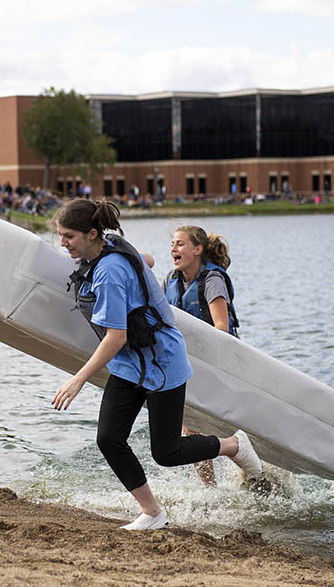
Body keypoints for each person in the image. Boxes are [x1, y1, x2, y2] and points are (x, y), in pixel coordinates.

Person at [52, 198, 263, 531]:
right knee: (109, 439)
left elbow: (116, 337)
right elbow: (146, 260)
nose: (63, 243)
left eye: (68, 236)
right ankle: (153, 513)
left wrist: (77, 380)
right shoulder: (111, 249)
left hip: (161, 364)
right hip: (129, 365)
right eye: (60, 235)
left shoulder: (108, 272)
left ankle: (234, 445)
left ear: (92, 234)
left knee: (167, 452)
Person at [164, 226, 242, 486]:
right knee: (190, 427)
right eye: (172, 244)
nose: (173, 249)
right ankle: (210, 488)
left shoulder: (212, 280)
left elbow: (222, 327)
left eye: (180, 244)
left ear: (198, 250)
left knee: (226, 424)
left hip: (220, 364)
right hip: (187, 364)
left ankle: (255, 473)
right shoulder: (170, 280)